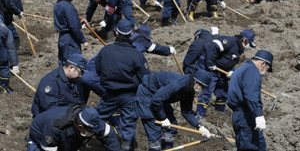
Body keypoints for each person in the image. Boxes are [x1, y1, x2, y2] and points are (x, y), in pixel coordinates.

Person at [95, 19, 150, 150]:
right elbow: (145, 77)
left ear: (116, 33)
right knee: (129, 123)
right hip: (129, 95)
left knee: (97, 118)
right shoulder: (137, 55)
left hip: (109, 93)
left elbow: (98, 69)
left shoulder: (105, 51)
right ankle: (125, 147)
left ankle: (106, 138)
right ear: (131, 34)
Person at [135, 69, 212, 150]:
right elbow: (156, 100)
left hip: (160, 98)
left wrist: (199, 126)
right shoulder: (177, 84)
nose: (202, 90)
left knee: (172, 126)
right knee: (155, 132)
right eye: (202, 87)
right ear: (195, 82)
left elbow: (187, 112)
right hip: (148, 94)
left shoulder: (190, 90)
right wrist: (163, 118)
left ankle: (167, 148)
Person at [196, 29, 257, 119]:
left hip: (221, 72)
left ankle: (219, 115)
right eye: (249, 44)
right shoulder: (230, 41)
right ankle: (199, 115)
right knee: (207, 91)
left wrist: (230, 71)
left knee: (223, 93)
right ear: (244, 40)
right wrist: (210, 63)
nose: (248, 47)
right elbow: (213, 47)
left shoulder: (239, 49)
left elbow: (229, 61)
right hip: (212, 70)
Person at [227, 50, 273, 151]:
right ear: (263, 63)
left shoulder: (241, 69)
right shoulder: (252, 70)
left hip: (239, 115)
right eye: (266, 69)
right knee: (251, 146)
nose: (264, 73)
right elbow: (251, 94)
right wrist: (258, 114)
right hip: (246, 116)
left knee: (256, 145)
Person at [27, 103, 121, 151]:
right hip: (40, 134)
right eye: (91, 130)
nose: (94, 132)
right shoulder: (55, 127)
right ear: (80, 127)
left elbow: (109, 135)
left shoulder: (91, 119)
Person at [31, 54, 87, 118]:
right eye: (80, 72)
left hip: (65, 116)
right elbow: (50, 109)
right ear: (71, 68)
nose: (80, 76)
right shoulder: (51, 81)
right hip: (48, 120)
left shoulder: (73, 80)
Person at [54, 0, 89, 65]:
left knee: (63, 65)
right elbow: (73, 26)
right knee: (73, 65)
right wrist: (83, 40)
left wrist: (79, 23)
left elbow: (66, 22)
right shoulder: (68, 6)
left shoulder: (58, 5)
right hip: (70, 40)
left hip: (62, 39)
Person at [0, 19, 19, 94]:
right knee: (4, 67)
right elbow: (11, 47)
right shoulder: (5, 29)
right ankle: (4, 88)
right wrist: (14, 64)